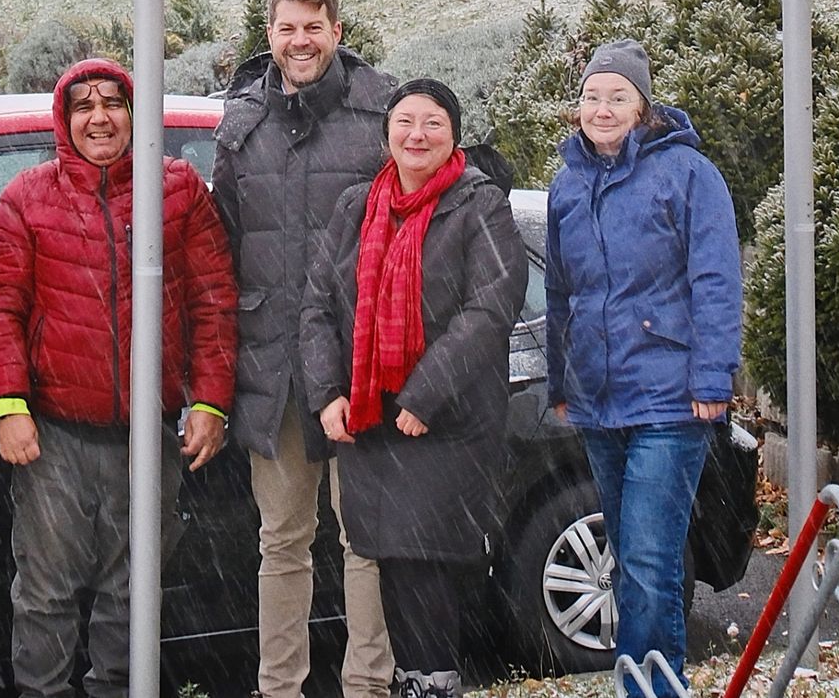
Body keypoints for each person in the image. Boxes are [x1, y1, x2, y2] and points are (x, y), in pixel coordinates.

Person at [0, 58, 237, 698]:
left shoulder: (175, 190)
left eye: (113, 103)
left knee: (133, 591)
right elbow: (0, 312)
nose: (100, 117)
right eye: (84, 106)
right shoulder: (26, 198)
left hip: (148, 436)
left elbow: (214, 302)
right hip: (56, 439)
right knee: (46, 593)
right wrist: (8, 406)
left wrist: (211, 402)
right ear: (65, 122)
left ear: (134, 114)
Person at [300, 79, 528, 698]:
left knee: (426, 568)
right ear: (386, 132)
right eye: (405, 121)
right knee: (394, 568)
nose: (417, 135)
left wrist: (423, 397)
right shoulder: (357, 206)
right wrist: (327, 393)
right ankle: (416, 683)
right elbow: (319, 305)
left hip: (445, 424)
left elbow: (489, 310)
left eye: (432, 123)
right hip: (371, 423)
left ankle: (432, 685)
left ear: (452, 133)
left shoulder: (479, 205)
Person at [212, 0, 395, 698]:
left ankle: (367, 686)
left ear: (338, 32)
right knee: (282, 542)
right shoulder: (242, 124)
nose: (300, 41)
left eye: (314, 27)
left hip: (360, 369)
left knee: (367, 541)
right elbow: (219, 245)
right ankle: (279, 687)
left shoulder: (383, 110)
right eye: (288, 28)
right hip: (274, 368)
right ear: (270, 35)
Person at [545, 39, 743, 695]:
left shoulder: (688, 174)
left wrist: (714, 379)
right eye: (593, 96)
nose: (603, 108)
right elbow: (559, 294)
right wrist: (560, 382)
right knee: (629, 558)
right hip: (599, 399)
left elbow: (716, 281)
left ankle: (649, 689)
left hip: (669, 398)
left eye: (618, 96)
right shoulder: (568, 184)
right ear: (579, 108)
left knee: (650, 561)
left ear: (642, 106)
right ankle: (658, 681)